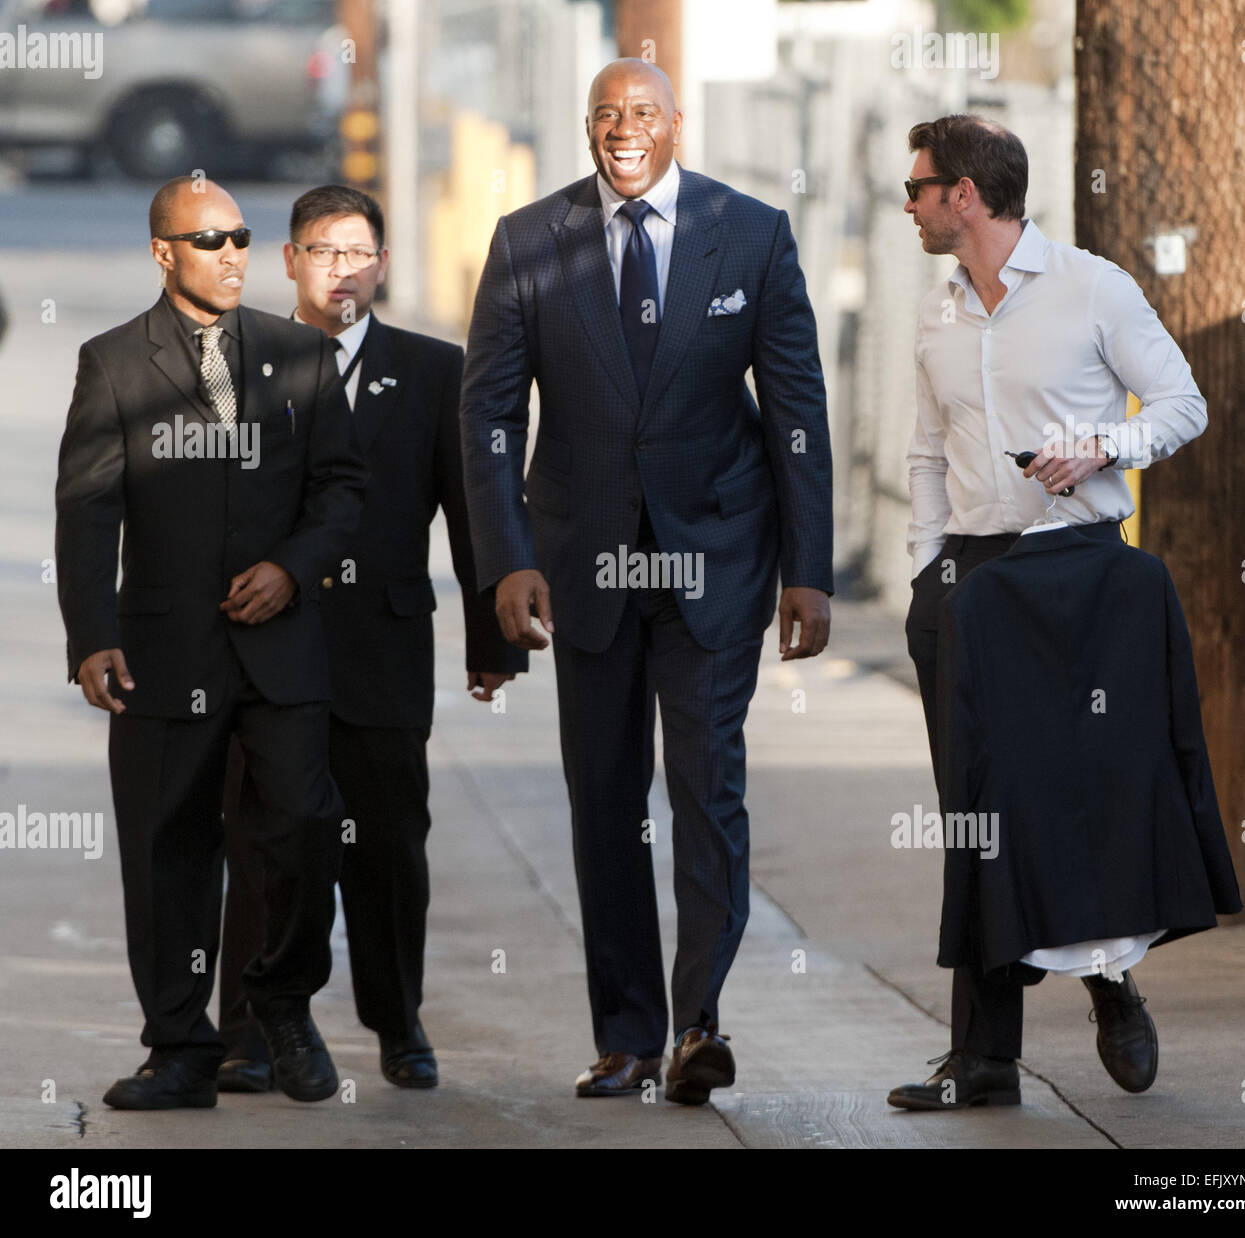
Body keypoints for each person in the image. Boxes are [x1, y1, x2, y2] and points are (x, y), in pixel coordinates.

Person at [460, 58, 834, 1105]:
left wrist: (809, 569)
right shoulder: (528, 241)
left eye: (641, 113)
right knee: (605, 798)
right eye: (604, 116)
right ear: (588, 129)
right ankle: (625, 1034)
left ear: (677, 123)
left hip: (715, 559)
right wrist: (509, 556)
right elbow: (488, 416)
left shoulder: (750, 232)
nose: (621, 130)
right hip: (582, 567)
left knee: (707, 787)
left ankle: (698, 1023)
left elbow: (797, 407)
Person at [893, 114, 1219, 1109]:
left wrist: (1101, 446)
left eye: (916, 188)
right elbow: (921, 455)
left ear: (963, 194)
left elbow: (1181, 401)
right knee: (980, 821)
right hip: (969, 584)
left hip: (1078, 574)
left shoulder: (1091, 288)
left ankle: (1113, 981)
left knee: (1089, 799)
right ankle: (985, 1058)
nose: (905, 204)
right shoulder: (937, 316)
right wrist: (924, 570)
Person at [54, 176, 366, 1108]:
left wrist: (292, 569)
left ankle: (279, 997)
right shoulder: (112, 363)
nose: (232, 254)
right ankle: (181, 1051)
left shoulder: (300, 354)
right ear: (164, 253)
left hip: (282, 649)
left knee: (308, 827)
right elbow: (87, 508)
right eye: (210, 240)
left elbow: (343, 490)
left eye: (240, 238)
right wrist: (90, 636)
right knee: (168, 852)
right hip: (163, 650)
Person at [216, 185, 526, 1094]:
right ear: (290, 262)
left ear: (383, 265)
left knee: (390, 844)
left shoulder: (434, 370)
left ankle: (398, 1022)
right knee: (265, 838)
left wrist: (491, 642)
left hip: (384, 647)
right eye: (323, 251)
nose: (341, 269)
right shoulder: (241, 362)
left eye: (358, 253)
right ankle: (248, 1032)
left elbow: (468, 509)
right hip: (265, 643)